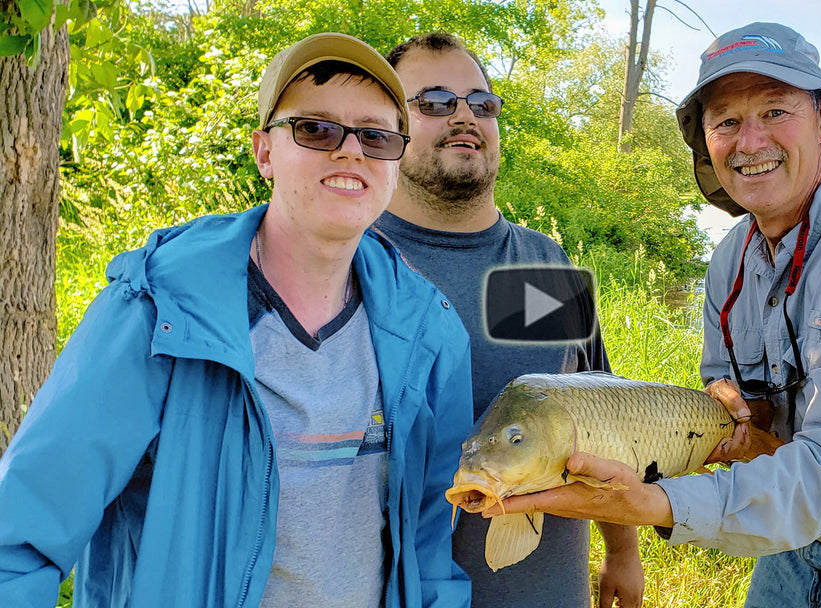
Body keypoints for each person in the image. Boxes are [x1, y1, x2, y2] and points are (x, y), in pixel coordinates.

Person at [489, 22, 821, 607]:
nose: (750, 141)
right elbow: (747, 405)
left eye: (774, 110)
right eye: (726, 121)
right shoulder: (731, 259)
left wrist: (653, 505)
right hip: (790, 546)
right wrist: (738, 413)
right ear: (706, 142)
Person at [0, 32, 473, 608]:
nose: (351, 151)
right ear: (265, 152)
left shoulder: (430, 332)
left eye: (376, 137)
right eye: (316, 129)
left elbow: (429, 553)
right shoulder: (158, 311)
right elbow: (18, 540)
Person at [373, 33, 644, 608]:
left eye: (481, 103)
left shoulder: (541, 266)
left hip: (544, 591)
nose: (465, 116)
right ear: (385, 125)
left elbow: (602, 414)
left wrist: (623, 551)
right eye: (435, 101)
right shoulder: (350, 261)